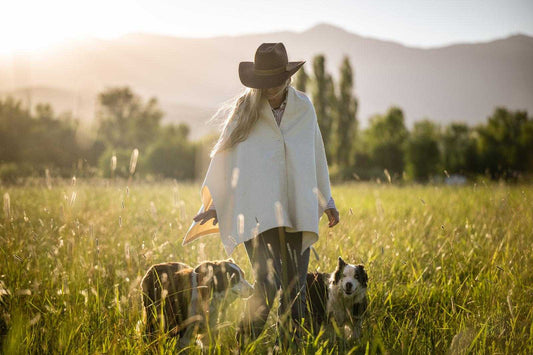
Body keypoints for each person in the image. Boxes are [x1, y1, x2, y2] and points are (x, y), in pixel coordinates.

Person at [183, 42, 339, 346]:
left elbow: (315, 155)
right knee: (268, 284)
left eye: (274, 82)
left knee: (296, 290)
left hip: (297, 207)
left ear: (288, 77)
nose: (269, 89)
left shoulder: (303, 107)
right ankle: (246, 344)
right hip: (256, 211)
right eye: (263, 83)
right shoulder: (245, 109)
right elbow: (226, 159)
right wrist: (216, 204)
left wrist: (326, 201)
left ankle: (291, 347)